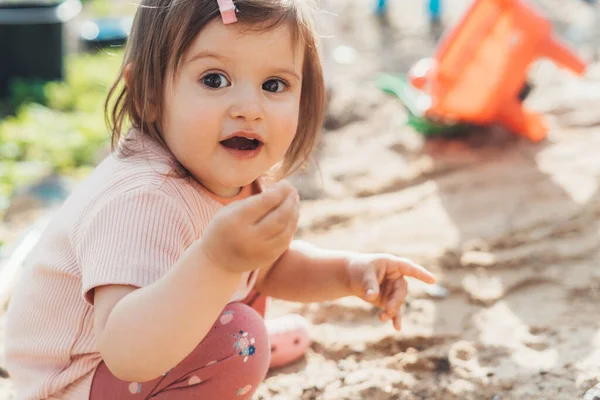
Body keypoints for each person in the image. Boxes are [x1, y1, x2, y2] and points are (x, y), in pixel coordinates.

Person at [4, 0, 437, 398]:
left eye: (274, 84)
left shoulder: (229, 172)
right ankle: (219, 356)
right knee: (240, 339)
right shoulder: (142, 200)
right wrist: (217, 263)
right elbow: (126, 351)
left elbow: (269, 267)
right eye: (214, 80)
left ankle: (219, 353)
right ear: (149, 95)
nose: (249, 107)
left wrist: (348, 272)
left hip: (138, 355)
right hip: (74, 382)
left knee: (240, 301)